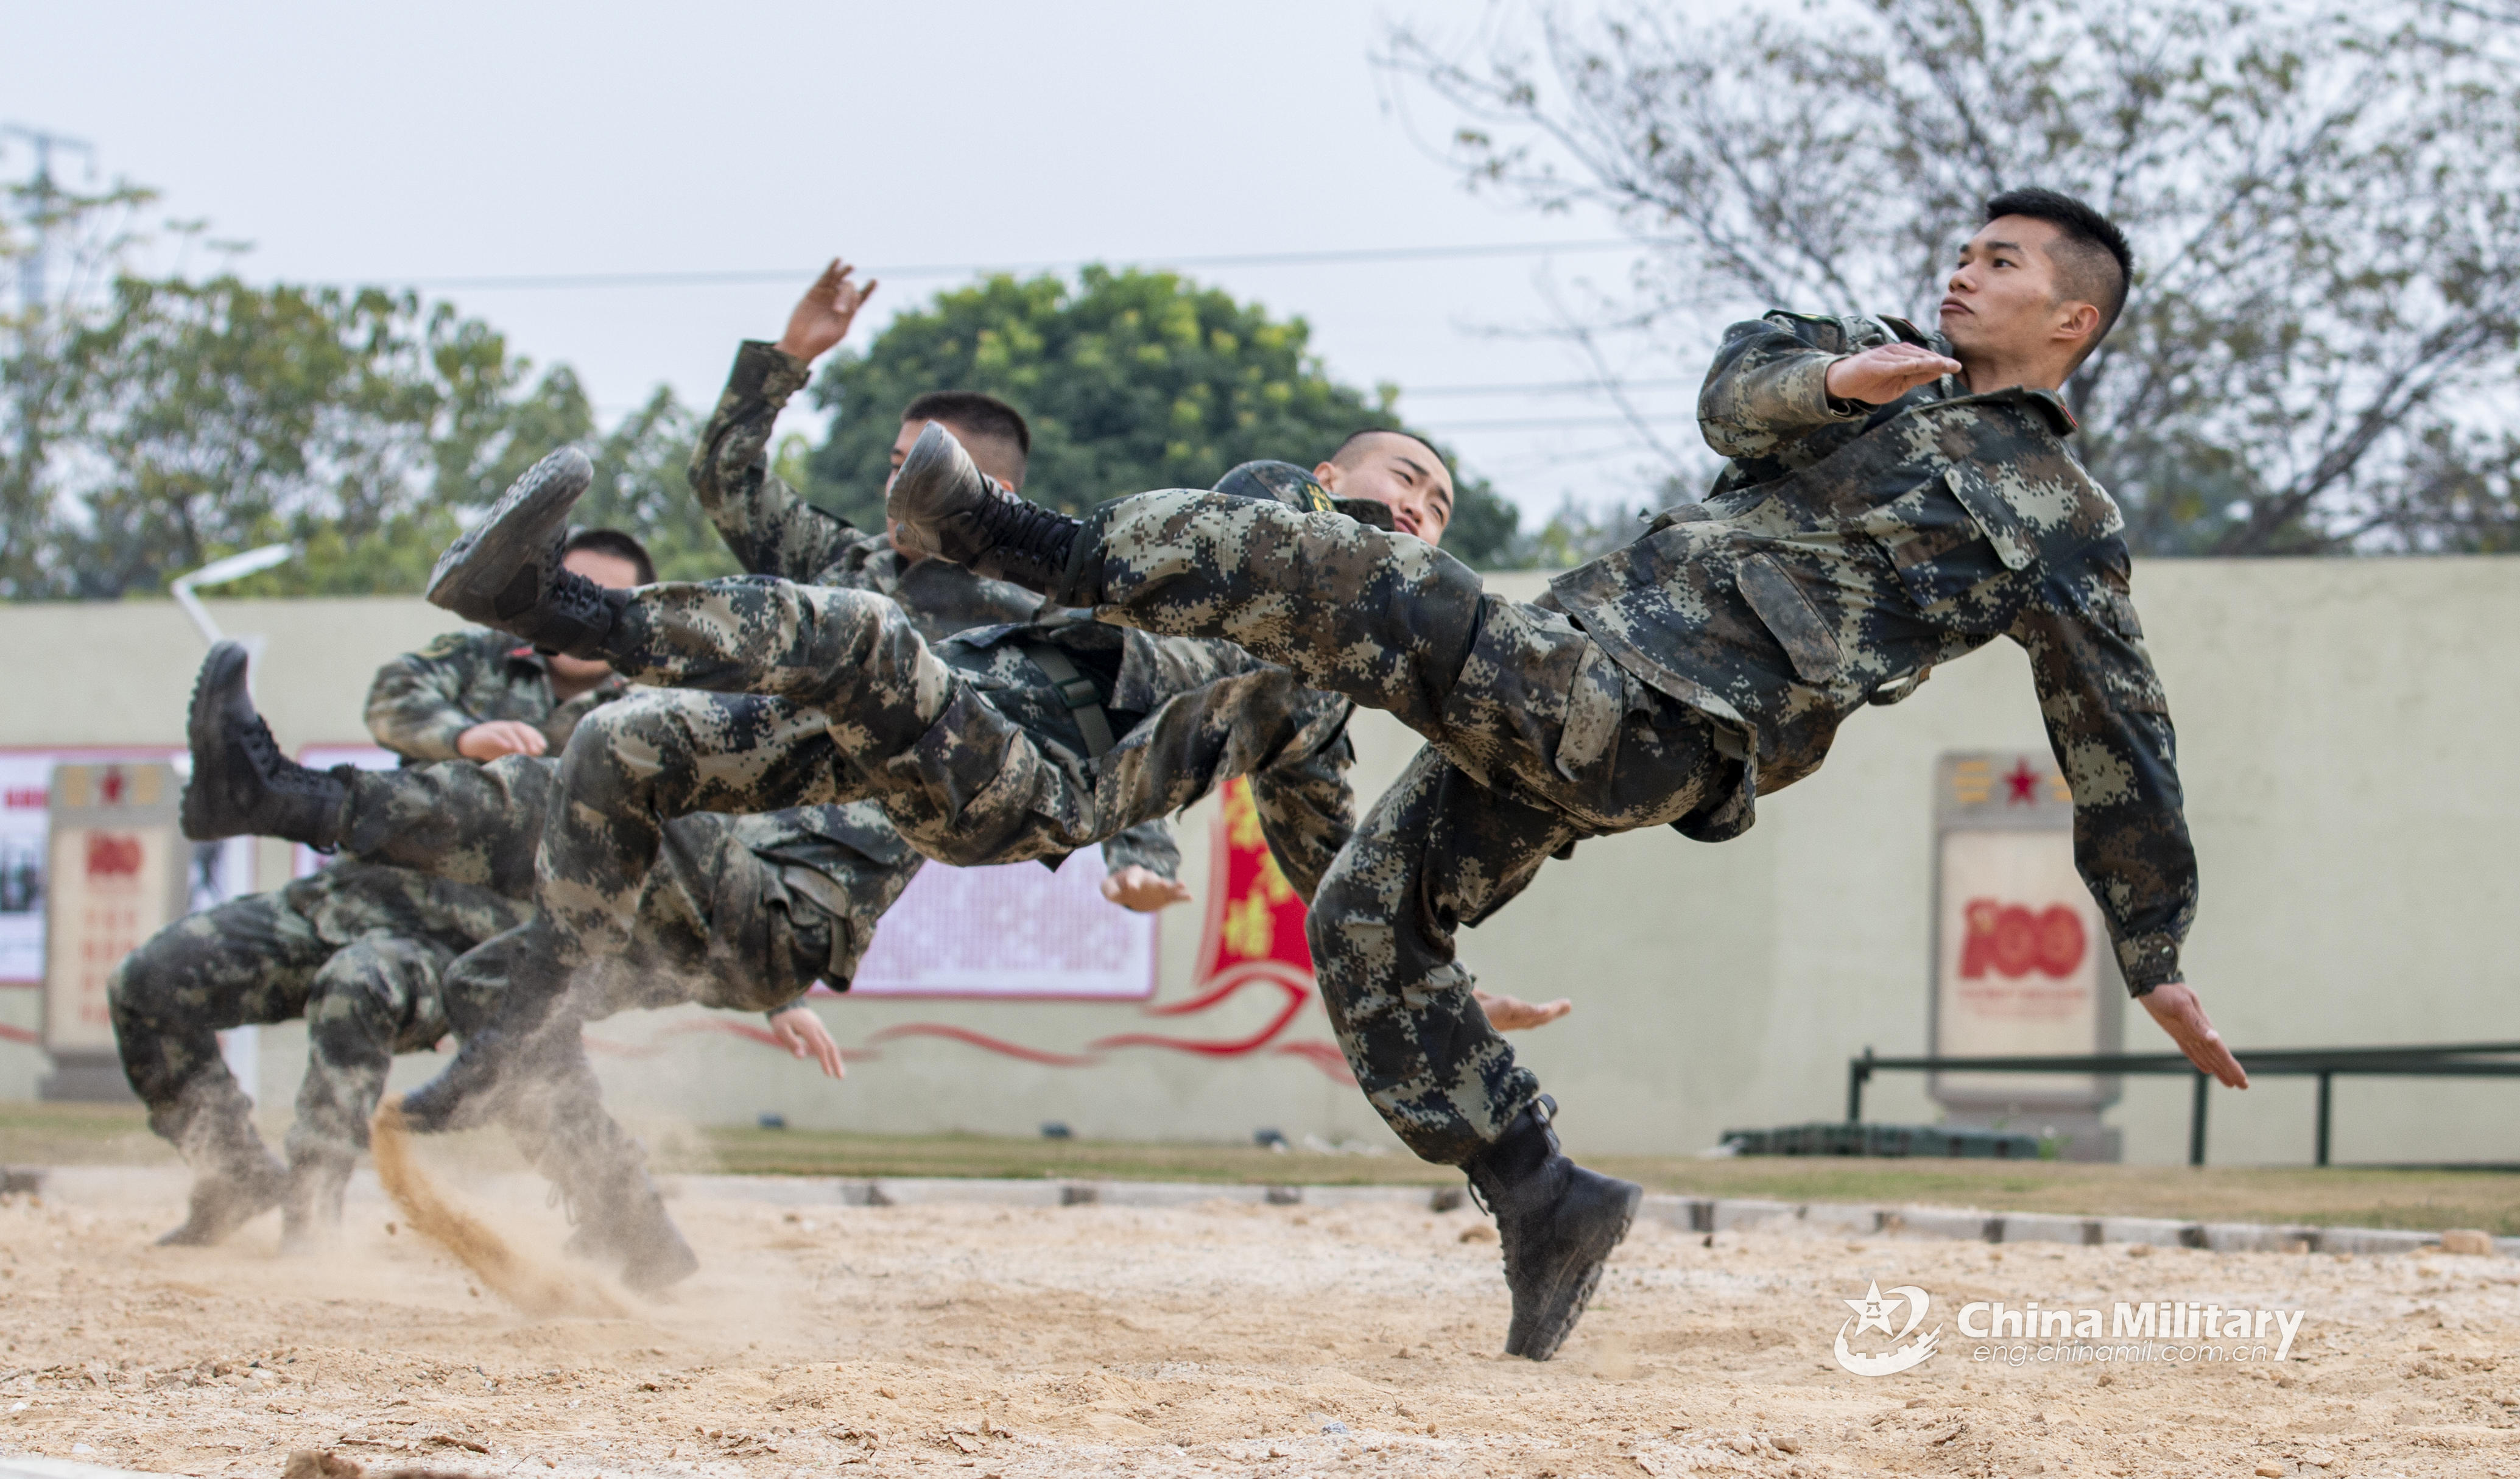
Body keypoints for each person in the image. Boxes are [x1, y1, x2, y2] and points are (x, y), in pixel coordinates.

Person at [878, 188, 2245, 1361]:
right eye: (1965, 247)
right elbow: (1731, 390)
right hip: (1568, 675)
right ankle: (1543, 1196)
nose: (1963, 267)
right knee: (1361, 919)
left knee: (1362, 571)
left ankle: (1019, 543)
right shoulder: (1860, 365)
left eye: (2001, 261)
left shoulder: (2064, 525)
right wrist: (1837, 385)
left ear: (2070, 320)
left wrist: (2152, 942)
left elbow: (2115, 729)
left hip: (1656, 722)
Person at [109, 530, 651, 1249]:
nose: (583, 615)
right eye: (571, 594)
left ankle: (313, 1221)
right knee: (147, 983)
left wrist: (783, 996)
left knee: (358, 985)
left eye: (603, 601)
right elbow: (393, 696)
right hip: (352, 897)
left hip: (477, 949)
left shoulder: (645, 715)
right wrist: (463, 736)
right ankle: (233, 1173)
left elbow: (696, 850)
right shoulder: (478, 657)